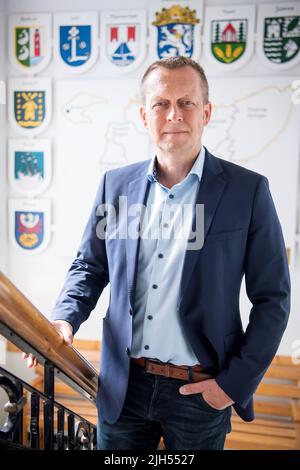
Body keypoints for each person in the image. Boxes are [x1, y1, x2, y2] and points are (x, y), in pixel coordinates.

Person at [23, 57, 290, 450]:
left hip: (201, 391)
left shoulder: (247, 191)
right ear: (144, 115)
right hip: (124, 388)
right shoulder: (115, 186)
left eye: (186, 103)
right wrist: (64, 319)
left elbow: (273, 299)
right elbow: (90, 266)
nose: (173, 114)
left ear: (207, 112)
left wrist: (231, 386)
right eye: (161, 103)